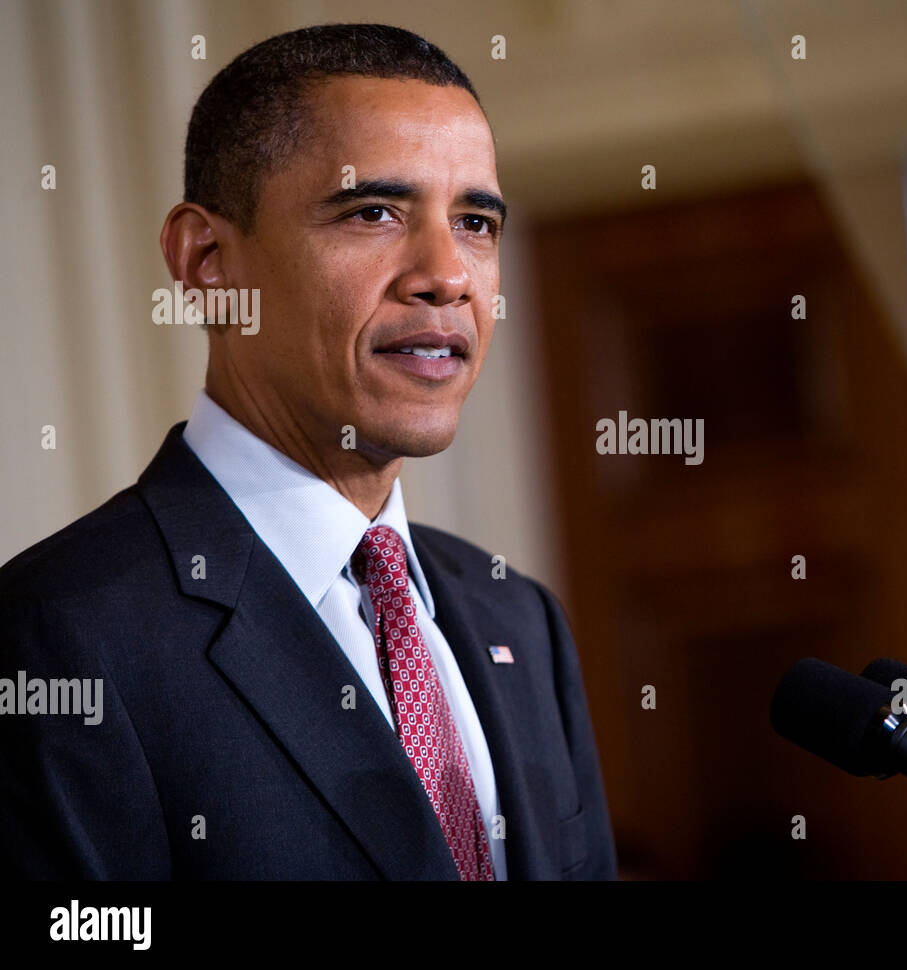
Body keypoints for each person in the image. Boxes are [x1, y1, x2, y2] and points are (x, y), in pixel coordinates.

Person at [0, 23, 616, 880]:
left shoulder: (522, 620)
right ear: (207, 260)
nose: (448, 273)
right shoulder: (57, 635)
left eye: (475, 221)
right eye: (374, 212)